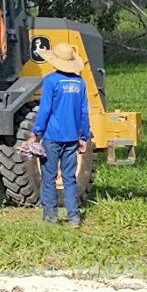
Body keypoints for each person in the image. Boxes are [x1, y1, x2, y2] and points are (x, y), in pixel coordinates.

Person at [31, 45, 93, 226]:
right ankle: (74, 217)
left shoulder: (51, 81)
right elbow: (83, 112)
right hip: (72, 137)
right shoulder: (80, 83)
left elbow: (45, 110)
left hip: (52, 137)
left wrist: (37, 133)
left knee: (49, 176)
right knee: (69, 177)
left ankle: (51, 217)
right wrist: (84, 136)